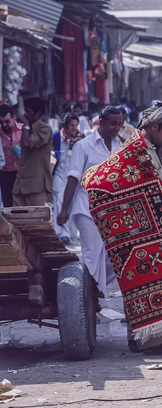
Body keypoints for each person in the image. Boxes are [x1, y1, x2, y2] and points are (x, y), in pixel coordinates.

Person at [83, 103, 162, 350]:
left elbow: (156, 185)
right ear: (154, 127)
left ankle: (151, 339)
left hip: (159, 230)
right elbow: (98, 180)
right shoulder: (134, 149)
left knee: (150, 286)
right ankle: (149, 341)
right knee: (142, 287)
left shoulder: (150, 149)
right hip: (143, 234)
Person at [56, 107, 124, 308]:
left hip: (114, 212)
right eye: (113, 123)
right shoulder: (83, 146)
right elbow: (73, 178)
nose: (116, 128)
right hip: (88, 210)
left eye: (119, 124)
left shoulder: (121, 145)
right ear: (101, 122)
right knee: (92, 257)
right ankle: (89, 304)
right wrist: (64, 209)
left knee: (115, 259)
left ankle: (93, 293)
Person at [12, 98, 52, 207]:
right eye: (25, 111)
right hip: (19, 185)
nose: (25, 115)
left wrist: (25, 125)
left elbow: (26, 143)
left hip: (36, 187)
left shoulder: (45, 129)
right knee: (17, 220)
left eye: (28, 112)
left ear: (38, 113)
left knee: (35, 222)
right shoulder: (26, 129)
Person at [52, 113, 83, 244]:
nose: (74, 128)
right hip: (59, 175)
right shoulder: (56, 136)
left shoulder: (81, 138)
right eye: (71, 125)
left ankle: (71, 235)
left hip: (74, 177)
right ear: (65, 126)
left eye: (76, 125)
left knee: (73, 204)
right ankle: (61, 233)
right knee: (59, 200)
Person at [0, 105, 19, 207]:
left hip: (21, 174)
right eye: (1, 122)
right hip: (5, 174)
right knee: (7, 205)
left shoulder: (24, 130)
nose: (4, 124)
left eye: (7, 121)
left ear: (14, 117)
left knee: (22, 206)